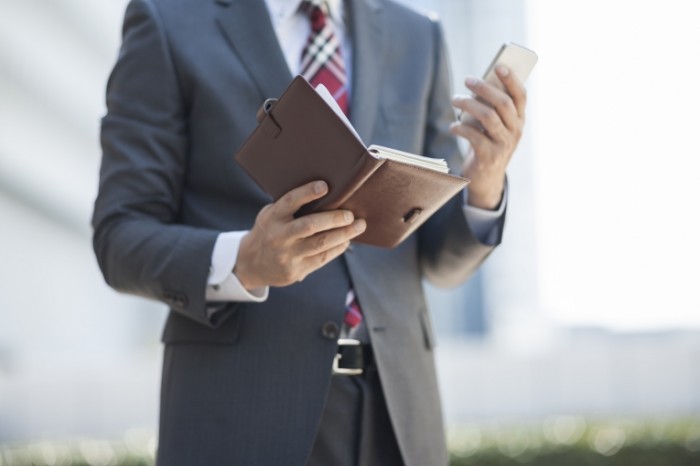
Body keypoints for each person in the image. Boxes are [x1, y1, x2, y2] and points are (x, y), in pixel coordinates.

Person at [92, 0, 527, 464]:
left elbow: (440, 261)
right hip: (239, 414)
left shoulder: (418, 34)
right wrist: (245, 261)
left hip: (397, 419)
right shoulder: (167, 20)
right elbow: (121, 236)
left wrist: (483, 184)